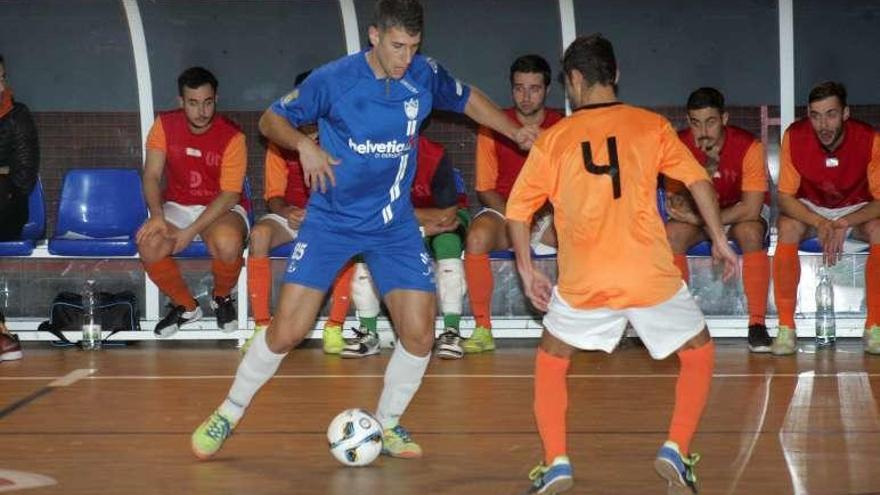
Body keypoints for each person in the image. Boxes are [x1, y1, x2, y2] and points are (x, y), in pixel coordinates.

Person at [191, 0, 537, 461]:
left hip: (393, 224)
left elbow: (467, 96)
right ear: (374, 36)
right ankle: (228, 413)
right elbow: (270, 120)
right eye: (397, 46)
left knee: (419, 333)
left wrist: (513, 131)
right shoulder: (334, 79)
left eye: (413, 47)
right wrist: (303, 147)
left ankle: (389, 423)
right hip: (331, 221)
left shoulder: (423, 74)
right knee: (287, 331)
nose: (404, 58)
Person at [506, 34, 737, 494]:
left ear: (573, 80)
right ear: (616, 74)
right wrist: (719, 240)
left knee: (552, 360)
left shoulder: (554, 140)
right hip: (648, 274)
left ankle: (555, 463)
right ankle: (676, 448)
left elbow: (516, 211)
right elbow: (699, 183)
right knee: (699, 352)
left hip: (585, 280)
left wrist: (528, 269)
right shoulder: (651, 126)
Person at [323, 135, 470, 359]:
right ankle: (369, 333)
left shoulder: (434, 154)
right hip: (397, 223)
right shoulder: (370, 154)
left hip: (440, 222)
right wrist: (416, 226)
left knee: (448, 242)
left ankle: (451, 331)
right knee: (366, 245)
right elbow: (369, 211)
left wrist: (407, 219)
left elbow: (447, 214)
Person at [136, 67, 249, 337]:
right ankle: (186, 306)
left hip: (222, 208)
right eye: (193, 103)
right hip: (178, 205)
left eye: (208, 103)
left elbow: (230, 194)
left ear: (216, 100)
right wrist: (157, 215)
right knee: (149, 243)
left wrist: (190, 231)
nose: (202, 111)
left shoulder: (233, 136)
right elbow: (151, 175)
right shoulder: (164, 125)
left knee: (227, 242)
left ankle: (222, 297)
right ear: (181, 102)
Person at [462, 54, 563, 355]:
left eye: (534, 88)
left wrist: (541, 218)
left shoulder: (563, 127)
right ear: (511, 89)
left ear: (546, 90)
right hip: (506, 212)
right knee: (477, 236)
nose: (526, 95)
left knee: (578, 237)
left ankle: (570, 326)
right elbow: (485, 188)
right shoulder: (494, 125)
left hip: (548, 216)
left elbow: (571, 184)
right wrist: (517, 219)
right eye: (519, 88)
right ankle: (483, 328)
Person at [771, 81, 880, 356]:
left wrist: (845, 222)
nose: (823, 124)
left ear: (845, 113)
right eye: (816, 115)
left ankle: (875, 327)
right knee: (786, 226)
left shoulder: (870, 139)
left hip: (856, 208)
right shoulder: (794, 136)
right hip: (811, 208)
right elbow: (785, 198)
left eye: (831, 114)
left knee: (879, 229)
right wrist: (820, 222)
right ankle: (786, 328)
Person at [664, 87, 772, 353]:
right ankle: (681, 325)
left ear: (724, 118)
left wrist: (711, 226)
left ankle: (757, 325)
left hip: (737, 214)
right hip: (698, 215)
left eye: (710, 121)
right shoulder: (678, 145)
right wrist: (706, 170)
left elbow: (751, 208)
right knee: (672, 234)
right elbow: (677, 206)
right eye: (696, 122)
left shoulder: (750, 146)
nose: (703, 131)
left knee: (750, 232)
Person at [247, 71, 314, 338]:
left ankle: (335, 327)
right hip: (292, 217)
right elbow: (273, 196)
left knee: (350, 237)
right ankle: (262, 326)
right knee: (259, 234)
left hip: (329, 220)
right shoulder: (280, 140)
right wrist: (288, 211)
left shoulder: (343, 138)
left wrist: (320, 215)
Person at [0, 54, 38, 361]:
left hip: (8, 204)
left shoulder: (17, 115)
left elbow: (23, 176)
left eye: (1, 78)